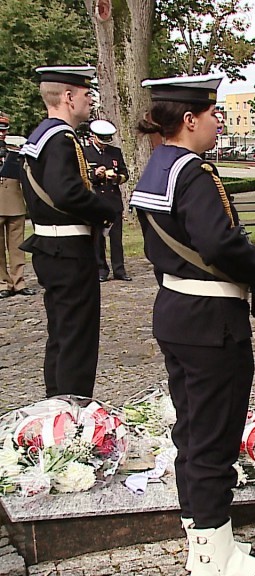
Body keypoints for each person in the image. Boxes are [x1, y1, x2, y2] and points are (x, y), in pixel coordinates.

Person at [129, 73, 255, 575]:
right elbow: (217, 243)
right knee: (213, 439)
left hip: (176, 310)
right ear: (189, 120)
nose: (219, 122)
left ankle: (209, 542)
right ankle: (212, 559)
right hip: (212, 322)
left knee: (192, 434)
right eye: (213, 114)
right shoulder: (192, 172)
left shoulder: (157, 166)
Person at [19, 66, 120, 398]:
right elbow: (66, 192)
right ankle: (73, 409)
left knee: (62, 336)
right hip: (69, 248)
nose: (91, 101)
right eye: (86, 94)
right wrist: (105, 210)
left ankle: (57, 404)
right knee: (77, 339)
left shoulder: (40, 136)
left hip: (51, 245)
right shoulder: (61, 138)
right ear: (68, 97)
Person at [84, 119, 131, 282]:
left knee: (116, 239)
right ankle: (101, 269)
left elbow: (125, 174)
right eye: (101, 140)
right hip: (96, 200)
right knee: (98, 239)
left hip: (113, 200)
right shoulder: (86, 152)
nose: (104, 144)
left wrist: (116, 177)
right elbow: (84, 175)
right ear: (94, 136)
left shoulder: (115, 152)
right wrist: (96, 174)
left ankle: (119, 270)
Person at [0, 114, 35, 299]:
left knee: (17, 246)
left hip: (15, 202)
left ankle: (19, 281)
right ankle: (3, 283)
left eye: (4, 130)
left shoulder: (14, 151)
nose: (1, 133)